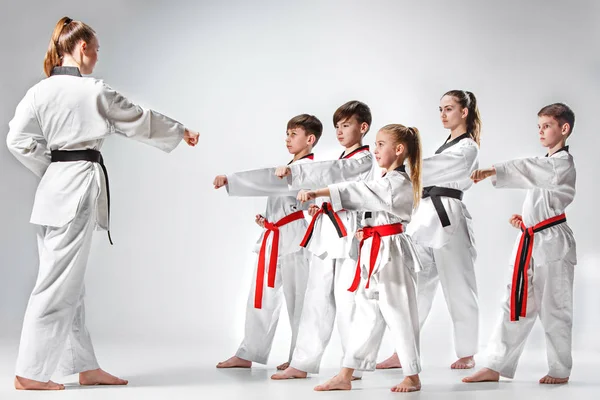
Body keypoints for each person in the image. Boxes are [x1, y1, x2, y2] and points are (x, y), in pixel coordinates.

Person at [7, 16, 199, 390]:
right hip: (77, 187)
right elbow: (138, 119)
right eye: (95, 50)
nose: (96, 57)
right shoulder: (93, 91)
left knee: (69, 285)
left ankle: (85, 366)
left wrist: (50, 167)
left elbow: (16, 139)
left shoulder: (38, 92)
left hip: (53, 191)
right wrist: (181, 130)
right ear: (81, 49)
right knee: (56, 285)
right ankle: (29, 373)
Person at [463, 103, 576, 385]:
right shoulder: (546, 163)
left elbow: (532, 169)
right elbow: (539, 190)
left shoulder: (561, 163)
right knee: (513, 302)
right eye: (538, 126)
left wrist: (493, 171)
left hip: (553, 244)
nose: (541, 131)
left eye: (547, 126)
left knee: (555, 306)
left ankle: (560, 369)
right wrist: (526, 220)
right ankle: (495, 364)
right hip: (531, 238)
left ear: (564, 129)